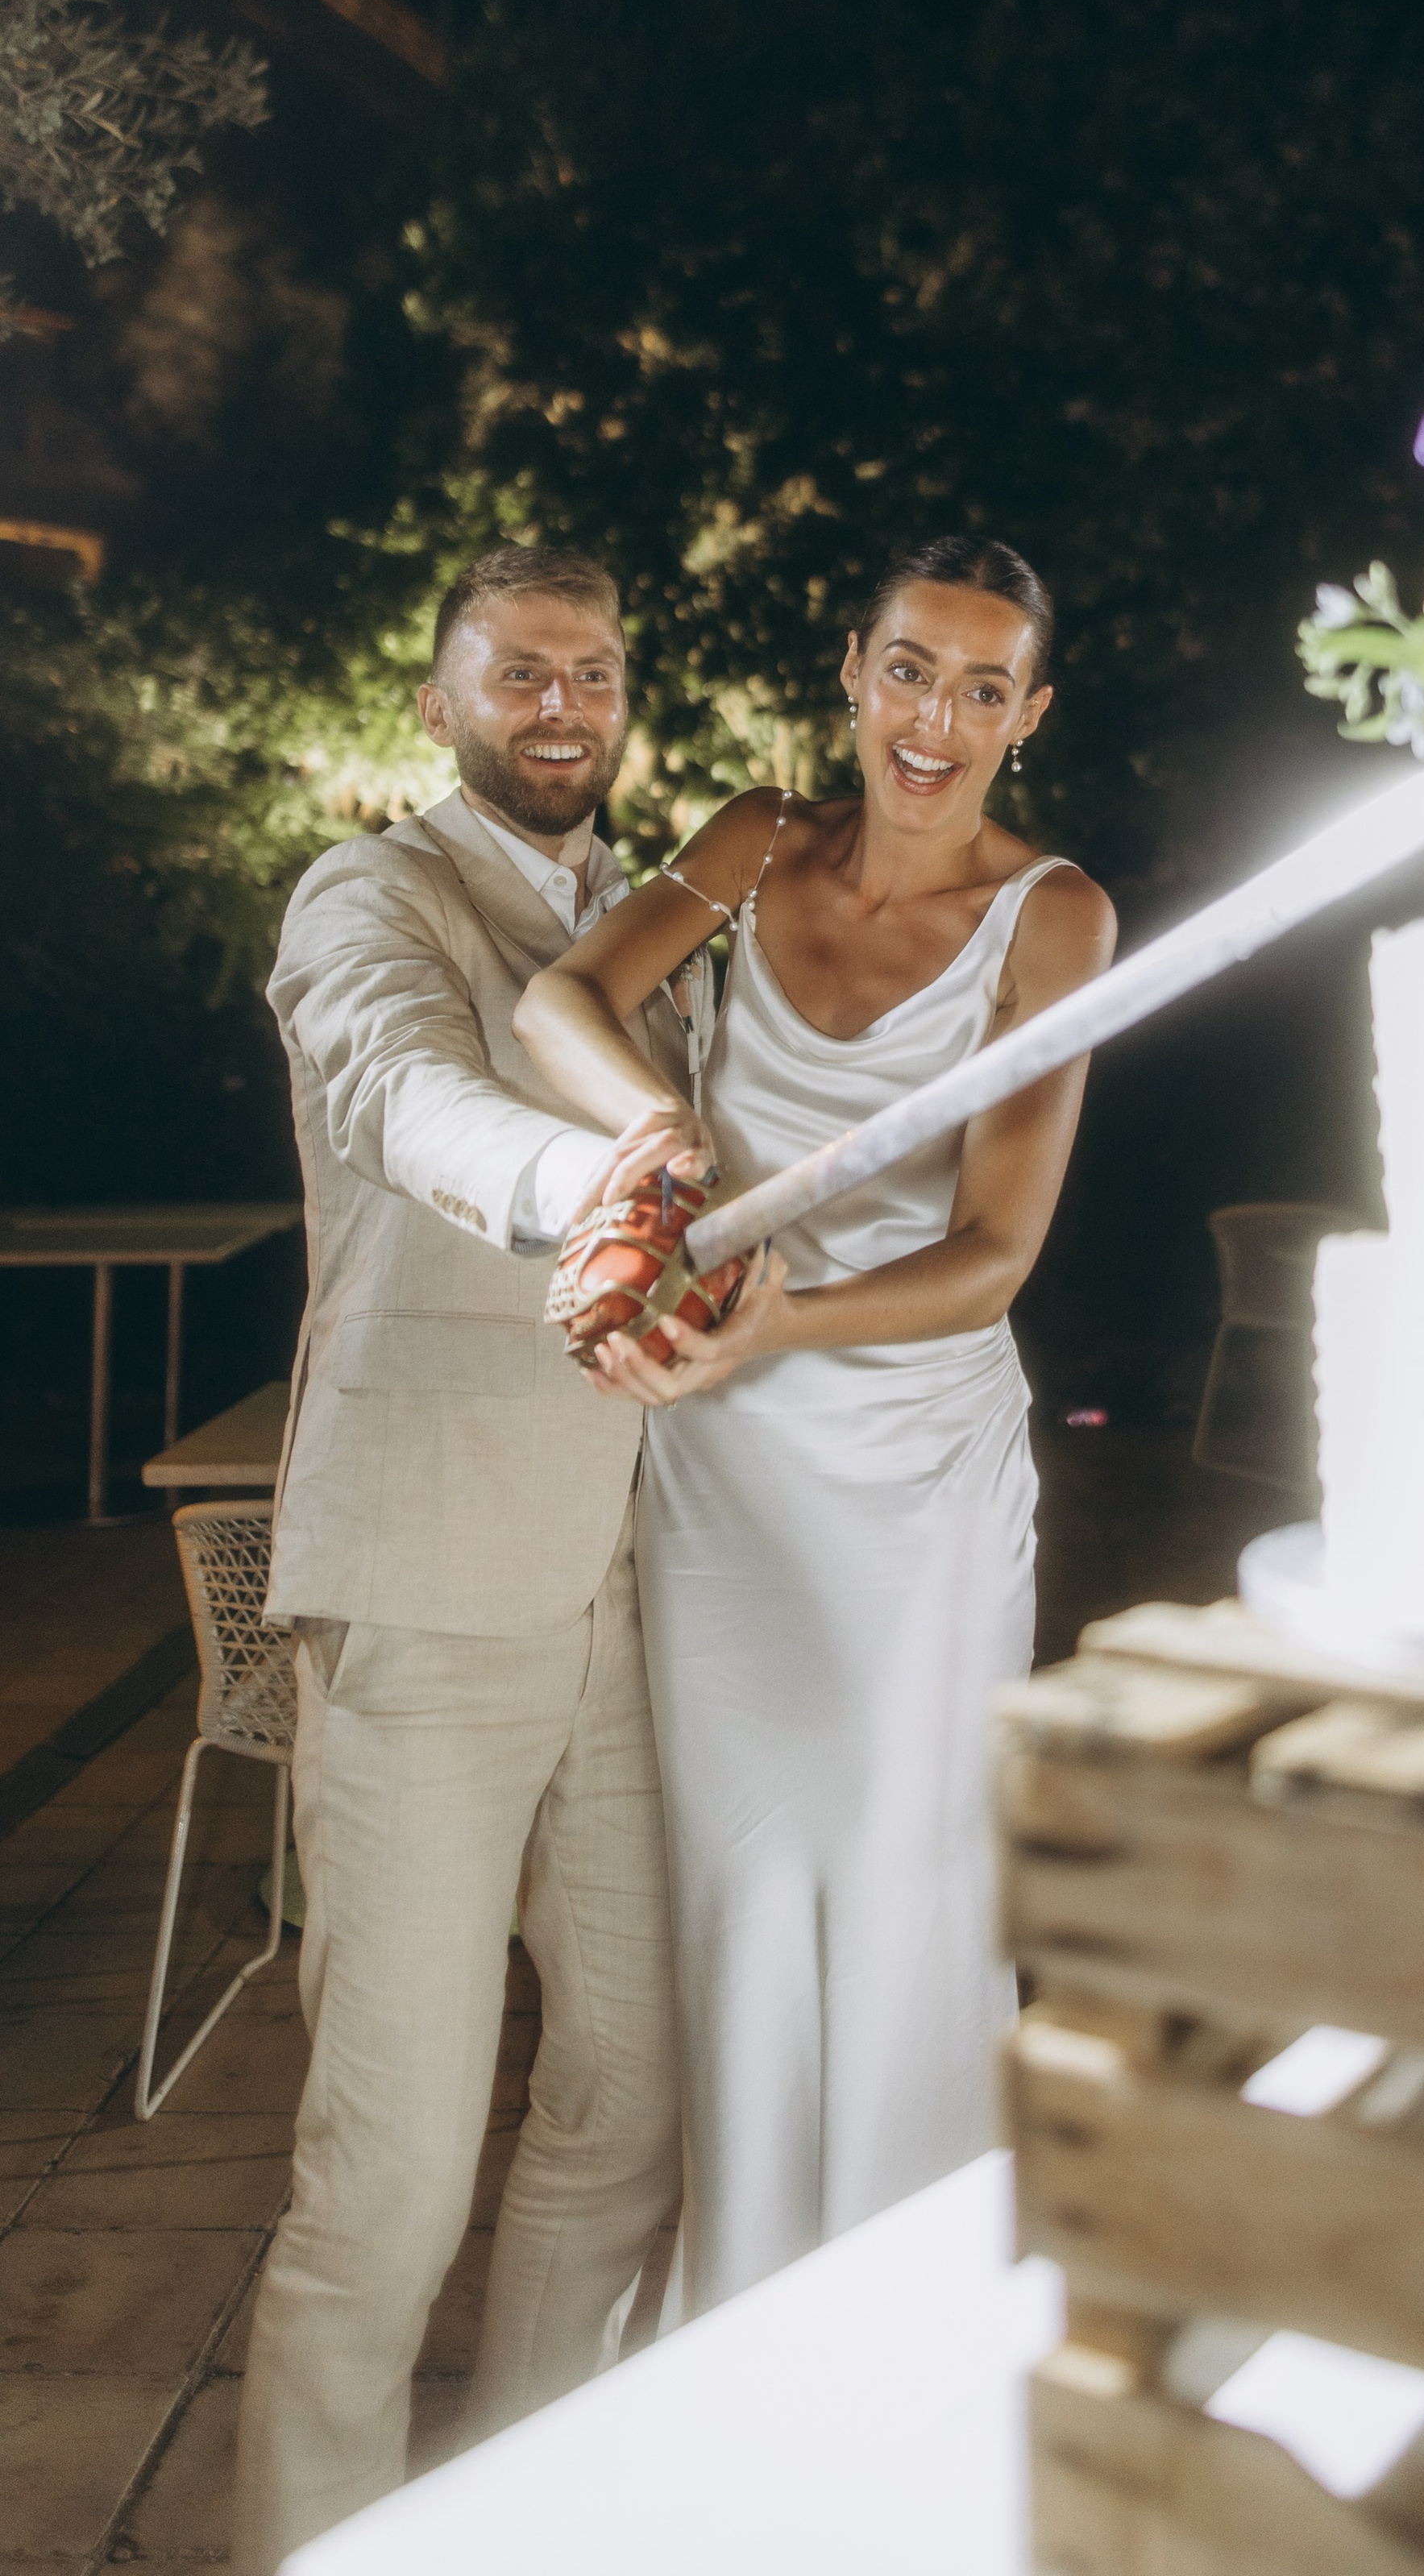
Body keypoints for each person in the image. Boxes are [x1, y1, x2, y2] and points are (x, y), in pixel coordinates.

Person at [234, 545, 780, 2574]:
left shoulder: (658, 925)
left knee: (629, 2112)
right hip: (432, 1580)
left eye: (596, 673)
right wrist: (601, 1183)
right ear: (444, 700)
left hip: (647, 1590)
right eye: (519, 675)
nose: (563, 704)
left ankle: (513, 2531)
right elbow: (404, 1096)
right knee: (380, 2185)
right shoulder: (368, 895)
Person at [513, 533, 1115, 2313]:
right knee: (748, 1882)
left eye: (984, 685)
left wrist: (786, 1322)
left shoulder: (1052, 915)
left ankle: (908, 2324)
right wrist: (663, 1137)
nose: (937, 718)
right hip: (727, 1460)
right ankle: (746, 2318)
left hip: (915, 1464)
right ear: (853, 668)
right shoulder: (751, 842)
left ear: (1030, 713)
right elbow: (564, 1004)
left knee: (911, 1881)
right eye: (911, 668)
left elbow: (994, 1253)